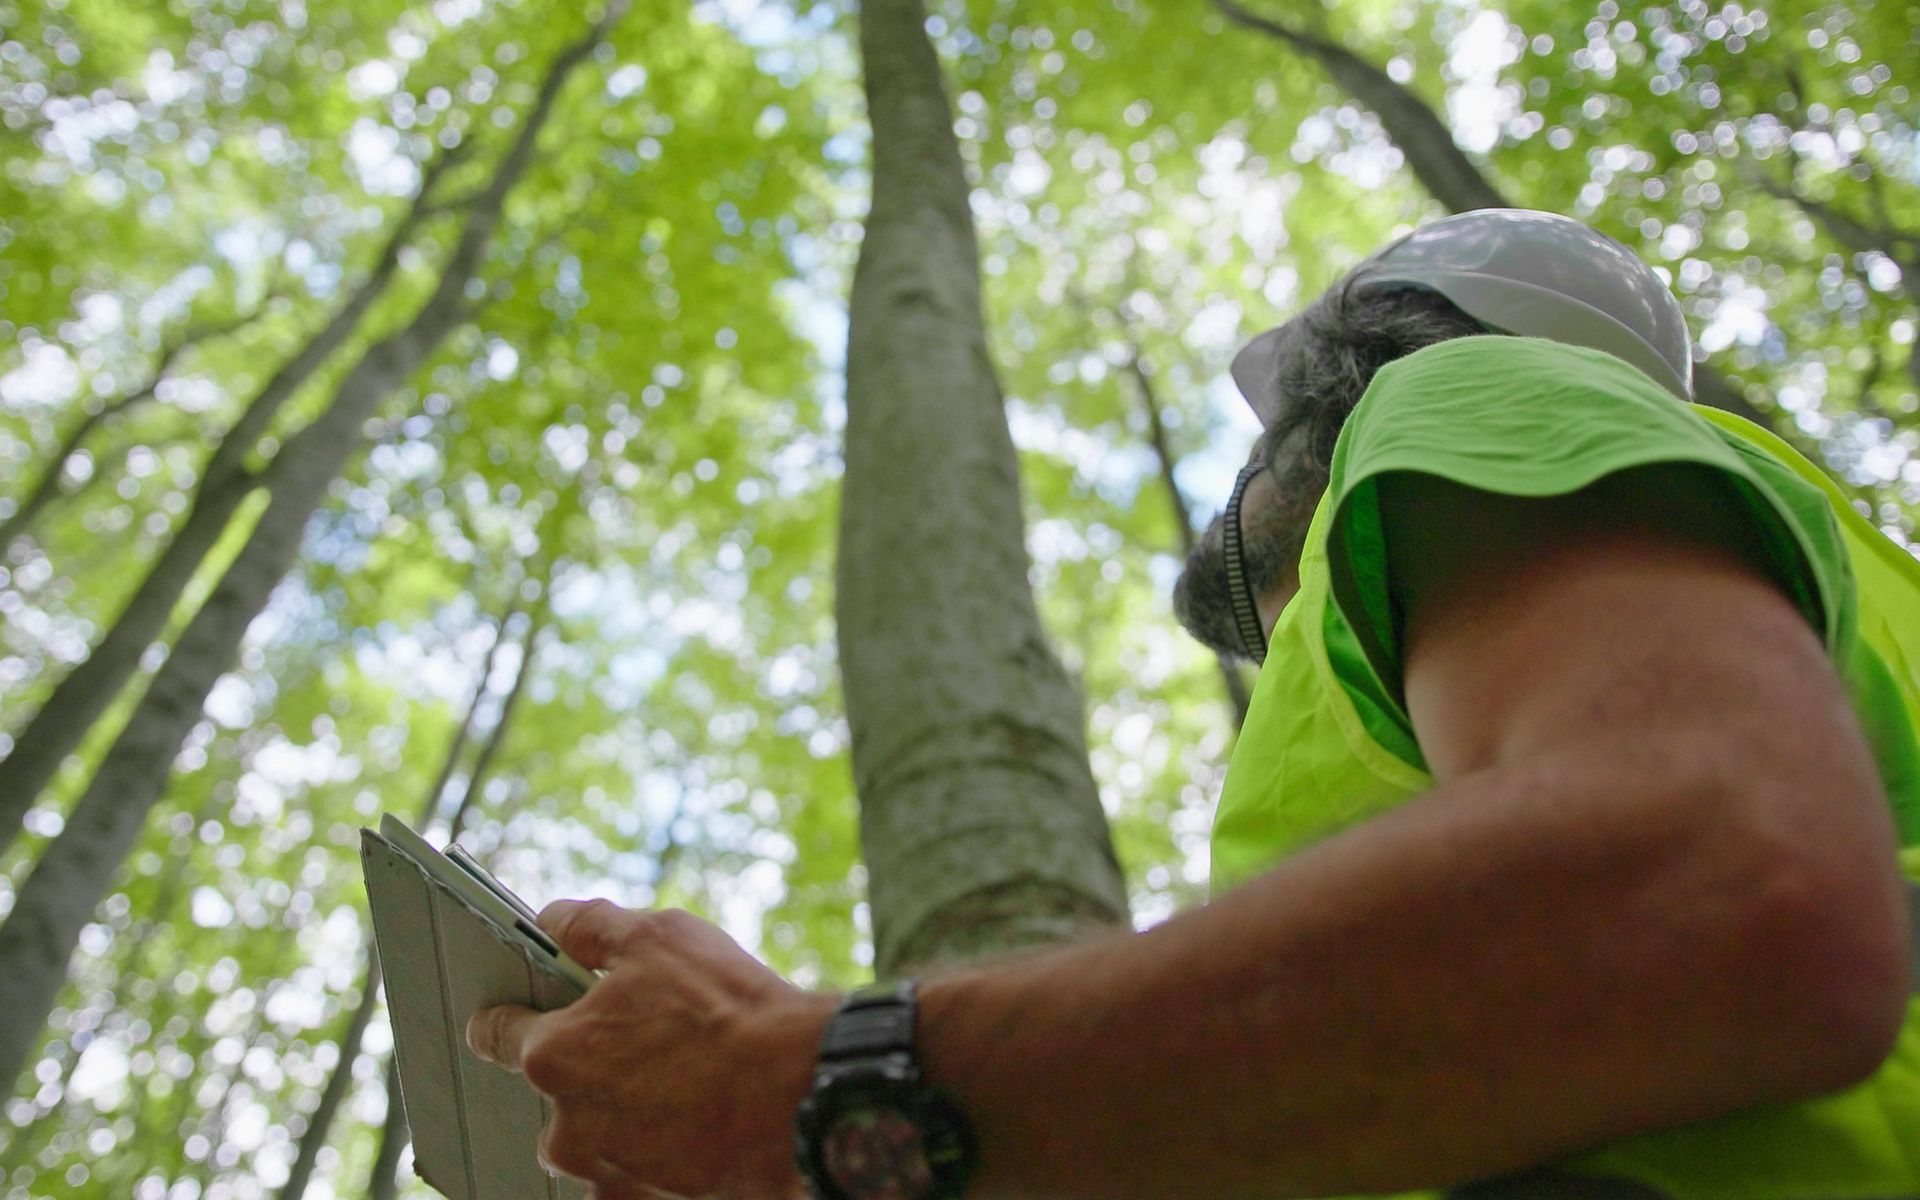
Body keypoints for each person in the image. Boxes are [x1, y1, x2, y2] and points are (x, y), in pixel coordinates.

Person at [465, 210, 1920, 1200]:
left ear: (1355, 377)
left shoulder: (1467, 396)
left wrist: (815, 1084)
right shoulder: (1807, 564)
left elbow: (1716, 887)